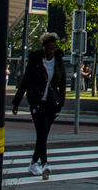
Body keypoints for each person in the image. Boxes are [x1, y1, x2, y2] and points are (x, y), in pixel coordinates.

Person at [13, 32, 68, 177]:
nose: (51, 51)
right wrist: (16, 103)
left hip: (52, 102)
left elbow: (62, 81)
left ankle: (33, 163)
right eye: (49, 48)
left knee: (43, 134)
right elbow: (25, 82)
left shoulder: (58, 61)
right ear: (43, 48)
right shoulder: (36, 61)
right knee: (42, 132)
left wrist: (62, 101)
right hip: (37, 101)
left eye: (53, 48)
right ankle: (44, 164)